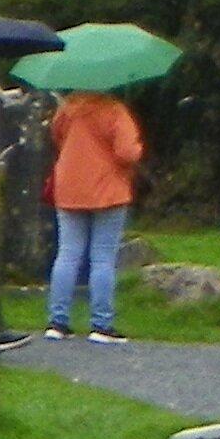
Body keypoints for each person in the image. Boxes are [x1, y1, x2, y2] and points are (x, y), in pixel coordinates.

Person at [47, 85, 146, 340]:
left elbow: (57, 138)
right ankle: (101, 324)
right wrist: (138, 148)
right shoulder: (114, 110)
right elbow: (127, 153)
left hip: (69, 187)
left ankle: (57, 322)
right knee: (102, 258)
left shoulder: (67, 110)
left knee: (67, 254)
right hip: (107, 189)